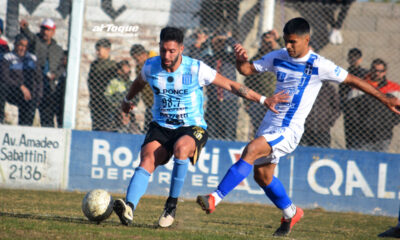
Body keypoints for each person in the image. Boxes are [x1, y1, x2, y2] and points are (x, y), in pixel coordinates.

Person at [196, 17, 400, 237]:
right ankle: (291, 212)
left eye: (293, 42)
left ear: (307, 40)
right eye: (286, 41)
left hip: (289, 130)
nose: (288, 46)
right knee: (262, 177)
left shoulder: (320, 65)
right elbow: (246, 70)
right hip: (270, 124)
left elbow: (352, 80)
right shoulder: (278, 56)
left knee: (252, 150)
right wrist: (240, 59)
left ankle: (214, 198)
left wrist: (385, 99)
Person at [112, 27, 288, 228]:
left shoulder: (196, 68)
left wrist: (263, 99)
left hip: (192, 127)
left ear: (181, 49)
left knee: (182, 149)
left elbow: (231, 85)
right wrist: (127, 99)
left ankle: (171, 205)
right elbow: (139, 82)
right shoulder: (151, 66)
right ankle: (129, 208)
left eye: (171, 51)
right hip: (161, 125)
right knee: (147, 159)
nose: (166, 56)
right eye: (163, 50)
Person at [20, 18, 64, 127]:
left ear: (53, 32)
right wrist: (25, 28)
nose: (45, 32)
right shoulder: (36, 42)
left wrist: (55, 75)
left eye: (48, 30)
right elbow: (29, 36)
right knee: (27, 116)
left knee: (47, 117)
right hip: (33, 84)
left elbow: (62, 67)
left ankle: (48, 139)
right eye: (43, 29)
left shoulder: (58, 49)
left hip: (49, 87)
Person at [351, 59, 400, 152]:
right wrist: (360, 124)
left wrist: (390, 123)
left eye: (380, 71)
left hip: (384, 135)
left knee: (381, 159)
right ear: (371, 70)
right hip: (362, 135)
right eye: (375, 70)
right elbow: (350, 108)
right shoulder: (360, 85)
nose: (377, 73)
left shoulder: (394, 88)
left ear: (385, 72)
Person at [244, 29, 285, 136]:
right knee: (259, 129)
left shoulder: (280, 56)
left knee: (275, 130)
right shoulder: (257, 59)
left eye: (269, 42)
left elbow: (290, 53)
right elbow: (248, 81)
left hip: (277, 100)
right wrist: (247, 102)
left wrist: (279, 40)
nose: (267, 45)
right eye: (265, 42)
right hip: (259, 100)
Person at [202, 30, 240, 140]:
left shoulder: (231, 58)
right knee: (211, 133)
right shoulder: (207, 59)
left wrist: (227, 39)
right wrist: (205, 41)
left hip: (229, 101)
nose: (219, 44)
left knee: (229, 134)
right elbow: (194, 57)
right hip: (213, 101)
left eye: (221, 42)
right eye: (216, 42)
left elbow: (238, 49)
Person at [0, 34, 42, 125]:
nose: (23, 48)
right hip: (12, 90)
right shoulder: (7, 57)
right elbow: (4, 77)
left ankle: (25, 128)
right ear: (15, 44)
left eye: (25, 46)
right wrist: (20, 86)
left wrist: (38, 96)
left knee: (31, 101)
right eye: (21, 45)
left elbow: (39, 80)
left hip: (28, 93)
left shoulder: (32, 59)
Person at [339, 48, 369, 149]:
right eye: (351, 58)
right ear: (348, 59)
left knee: (364, 143)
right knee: (351, 143)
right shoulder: (344, 74)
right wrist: (346, 109)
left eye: (356, 58)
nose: (353, 60)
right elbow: (342, 94)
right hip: (350, 113)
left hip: (364, 112)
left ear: (360, 59)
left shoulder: (366, 75)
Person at [87, 38, 117, 131]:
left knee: (107, 126)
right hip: (96, 100)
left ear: (108, 50)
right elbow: (90, 81)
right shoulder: (94, 64)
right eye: (97, 50)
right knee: (96, 126)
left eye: (99, 49)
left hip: (108, 102)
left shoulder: (113, 65)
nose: (97, 52)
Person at [104, 60, 139, 133]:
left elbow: (136, 98)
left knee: (132, 121)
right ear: (119, 71)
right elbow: (107, 95)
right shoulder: (114, 82)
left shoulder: (132, 84)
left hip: (128, 108)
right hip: (115, 109)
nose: (126, 74)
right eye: (124, 71)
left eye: (128, 71)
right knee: (111, 120)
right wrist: (115, 104)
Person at [129, 44, 157, 132]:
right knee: (147, 129)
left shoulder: (156, 62)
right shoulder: (139, 67)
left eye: (138, 57)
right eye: (135, 58)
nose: (137, 60)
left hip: (159, 103)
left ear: (144, 54)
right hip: (149, 104)